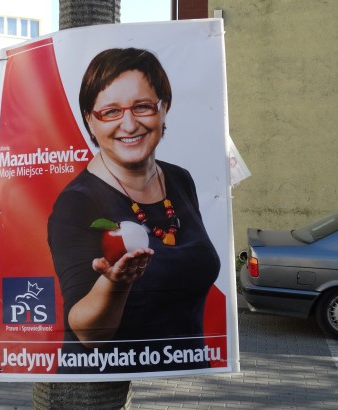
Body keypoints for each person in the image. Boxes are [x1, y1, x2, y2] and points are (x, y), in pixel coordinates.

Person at [47, 48, 220, 374]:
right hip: (105, 384)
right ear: (89, 119)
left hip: (182, 379)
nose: (129, 124)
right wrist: (115, 283)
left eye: (142, 107)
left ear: (163, 109)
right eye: (110, 112)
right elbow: (87, 334)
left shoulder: (180, 179)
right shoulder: (77, 203)